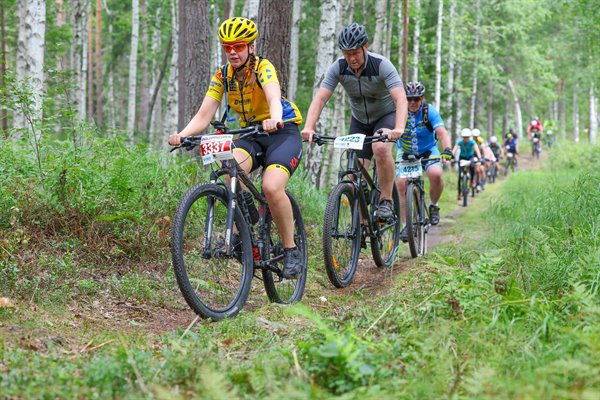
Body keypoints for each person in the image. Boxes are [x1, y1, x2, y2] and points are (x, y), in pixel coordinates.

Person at [167, 17, 304, 278]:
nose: (232, 52)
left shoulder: (263, 67)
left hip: (281, 131)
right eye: (227, 47)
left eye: (238, 46)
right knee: (229, 166)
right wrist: (182, 135)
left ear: (250, 47)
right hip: (251, 133)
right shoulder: (222, 75)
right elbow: (204, 114)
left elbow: (274, 96)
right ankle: (246, 224)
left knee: (272, 187)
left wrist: (274, 118)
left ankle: (290, 248)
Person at [301, 22, 408, 221]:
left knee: (381, 148)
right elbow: (321, 98)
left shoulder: (381, 64)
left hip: (385, 116)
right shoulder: (339, 67)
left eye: (355, 53)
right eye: (346, 53)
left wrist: (399, 127)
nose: (351, 58)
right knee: (353, 177)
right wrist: (309, 126)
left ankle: (386, 201)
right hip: (359, 121)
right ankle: (360, 229)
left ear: (365, 47)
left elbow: (400, 98)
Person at [395, 81, 452, 240]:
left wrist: (447, 150)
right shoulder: (399, 111)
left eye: (416, 99)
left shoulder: (429, 111)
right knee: (401, 183)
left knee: (436, 173)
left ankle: (434, 205)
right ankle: (405, 225)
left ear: (422, 98)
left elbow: (442, 133)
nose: (412, 103)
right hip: (405, 152)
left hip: (428, 151)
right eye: (409, 99)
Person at [452, 128, 481, 201]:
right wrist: (451, 156)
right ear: (462, 137)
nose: (466, 139)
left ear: (469, 137)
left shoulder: (472, 142)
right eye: (464, 137)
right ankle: (459, 194)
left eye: (467, 137)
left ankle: (472, 181)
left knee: (472, 167)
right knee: (459, 176)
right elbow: (454, 149)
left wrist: (479, 157)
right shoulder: (459, 142)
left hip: (470, 157)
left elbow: (477, 150)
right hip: (462, 157)